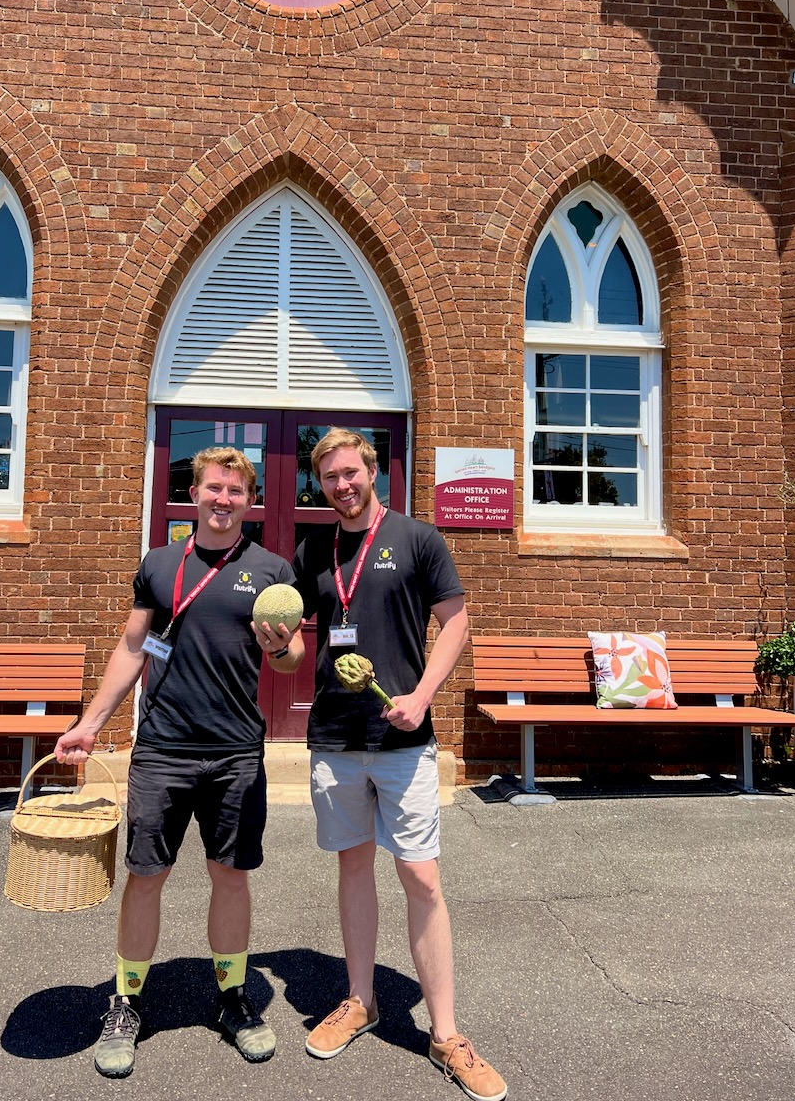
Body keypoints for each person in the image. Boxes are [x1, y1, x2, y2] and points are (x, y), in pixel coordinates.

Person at [55, 446, 304, 1079]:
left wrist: (281, 650)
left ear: (251, 500)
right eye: (214, 488)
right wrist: (90, 723)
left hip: (234, 753)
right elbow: (132, 647)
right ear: (194, 493)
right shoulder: (161, 564)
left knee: (230, 875)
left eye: (237, 491)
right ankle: (127, 1002)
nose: (225, 500)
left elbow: (291, 659)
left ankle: (232, 997)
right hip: (162, 748)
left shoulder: (272, 569)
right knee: (146, 877)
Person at [292, 428, 507, 1101]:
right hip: (333, 735)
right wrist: (274, 650)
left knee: (419, 875)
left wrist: (421, 694)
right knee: (353, 864)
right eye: (329, 476)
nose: (341, 484)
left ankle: (446, 1033)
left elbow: (457, 621)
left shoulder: (418, 539)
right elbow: (300, 647)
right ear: (320, 482)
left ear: (373, 472)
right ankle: (361, 1000)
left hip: (402, 738)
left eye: (350, 472)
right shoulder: (312, 551)